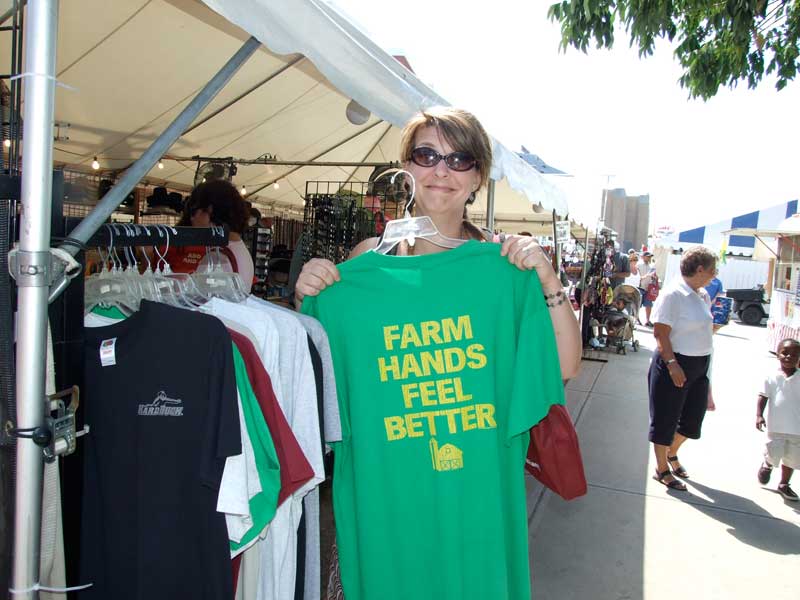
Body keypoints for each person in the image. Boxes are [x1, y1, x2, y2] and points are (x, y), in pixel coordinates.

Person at [295, 108, 581, 381]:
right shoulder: (370, 257)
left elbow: (564, 366)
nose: (442, 171)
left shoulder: (505, 265)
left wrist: (549, 282)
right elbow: (327, 357)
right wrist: (309, 298)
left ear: (477, 177)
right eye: (427, 155)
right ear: (407, 168)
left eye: (459, 159)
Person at [648, 246, 717, 491]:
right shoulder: (673, 295)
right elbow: (660, 332)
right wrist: (672, 364)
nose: (714, 274)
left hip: (699, 364)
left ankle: (672, 452)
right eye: (712, 270)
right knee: (665, 419)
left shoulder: (702, 295)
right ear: (700, 270)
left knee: (692, 422)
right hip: (675, 362)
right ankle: (661, 467)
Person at [168, 179, 255, 293]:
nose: (192, 218)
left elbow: (197, 300)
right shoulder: (237, 247)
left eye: (194, 211)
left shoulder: (217, 258)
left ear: (209, 209)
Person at [756, 338, 800, 501]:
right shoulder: (772, 377)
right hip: (777, 426)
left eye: (795, 355)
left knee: (792, 458)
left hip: (797, 428)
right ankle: (767, 464)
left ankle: (784, 484)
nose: (789, 357)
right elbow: (763, 396)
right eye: (785, 353)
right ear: (777, 355)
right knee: (774, 451)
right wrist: (759, 415)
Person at [639, 251, 658, 326]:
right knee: (638, 305)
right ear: (643, 257)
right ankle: (636, 319)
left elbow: (655, 277)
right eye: (648, 256)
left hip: (649, 289)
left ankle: (647, 320)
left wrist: (655, 278)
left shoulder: (652, 266)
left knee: (649, 305)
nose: (649, 258)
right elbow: (637, 276)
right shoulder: (639, 265)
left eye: (650, 256)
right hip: (640, 287)